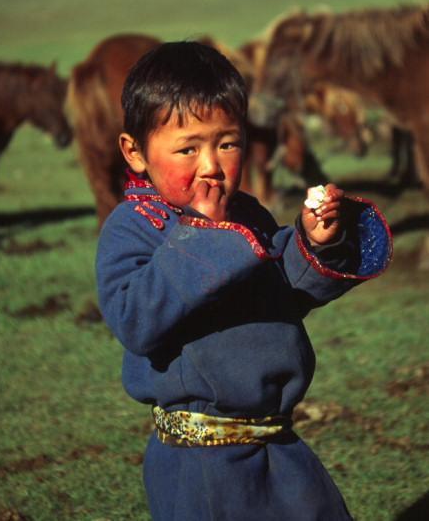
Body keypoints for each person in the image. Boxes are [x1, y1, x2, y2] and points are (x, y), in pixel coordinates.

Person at [96, 41, 392, 520]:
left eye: (227, 143)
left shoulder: (247, 212)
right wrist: (200, 236)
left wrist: (313, 241)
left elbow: (285, 289)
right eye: (188, 148)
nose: (211, 164)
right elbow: (135, 321)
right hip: (202, 465)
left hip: (281, 445)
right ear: (135, 153)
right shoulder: (133, 227)